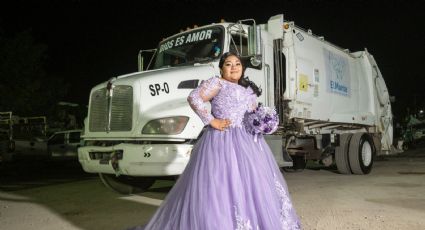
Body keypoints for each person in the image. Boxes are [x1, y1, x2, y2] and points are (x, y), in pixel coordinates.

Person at [129, 52, 301, 230]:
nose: (234, 67)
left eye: (237, 64)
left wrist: (264, 124)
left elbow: (251, 115)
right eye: (228, 64)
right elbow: (194, 97)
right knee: (220, 185)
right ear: (221, 68)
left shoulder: (248, 90)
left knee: (250, 185)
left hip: (247, 141)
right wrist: (211, 120)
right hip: (221, 140)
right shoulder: (217, 83)